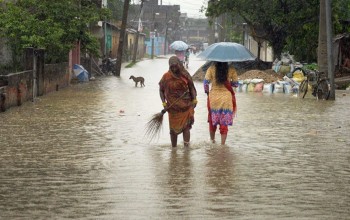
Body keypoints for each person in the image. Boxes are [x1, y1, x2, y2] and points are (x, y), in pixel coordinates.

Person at [159, 56, 197, 147]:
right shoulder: (166, 76)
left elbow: (191, 87)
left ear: (179, 65)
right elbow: (161, 90)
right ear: (169, 66)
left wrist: (194, 99)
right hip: (172, 109)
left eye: (176, 66)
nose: (174, 68)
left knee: (186, 127)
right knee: (173, 131)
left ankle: (186, 149)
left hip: (186, 106)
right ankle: (174, 150)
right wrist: (164, 103)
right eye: (172, 67)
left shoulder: (185, 75)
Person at [204, 62, 238, 145]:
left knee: (212, 121)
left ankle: (212, 141)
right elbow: (236, 84)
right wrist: (229, 82)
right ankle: (223, 145)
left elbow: (205, 83)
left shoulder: (211, 68)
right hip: (226, 98)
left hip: (213, 98)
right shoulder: (231, 69)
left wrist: (207, 92)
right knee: (224, 123)